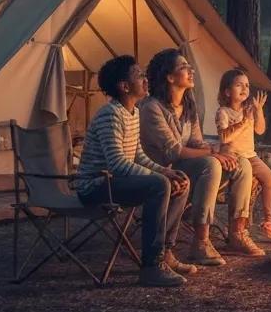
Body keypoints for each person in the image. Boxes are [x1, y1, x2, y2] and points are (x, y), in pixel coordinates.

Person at [74, 55, 194, 288]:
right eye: (139, 75)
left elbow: (138, 155)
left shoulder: (134, 112)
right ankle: (151, 266)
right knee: (159, 185)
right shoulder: (110, 114)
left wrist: (166, 172)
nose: (146, 79)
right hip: (96, 186)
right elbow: (117, 162)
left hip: (115, 182)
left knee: (179, 180)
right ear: (124, 86)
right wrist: (160, 177)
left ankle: (165, 252)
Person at [139, 48, 264, 263]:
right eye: (184, 68)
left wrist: (219, 150)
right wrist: (213, 153)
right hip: (162, 169)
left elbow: (196, 142)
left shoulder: (188, 105)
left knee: (242, 162)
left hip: (185, 166)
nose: (191, 71)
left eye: (189, 66)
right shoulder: (152, 108)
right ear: (169, 77)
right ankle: (201, 242)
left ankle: (237, 233)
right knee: (211, 164)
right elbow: (173, 151)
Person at [215, 67, 271, 241]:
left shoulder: (248, 110)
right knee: (246, 185)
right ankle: (240, 226)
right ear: (227, 91)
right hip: (234, 157)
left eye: (247, 86)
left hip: (251, 156)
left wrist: (258, 111)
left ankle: (268, 220)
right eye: (239, 85)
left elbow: (260, 129)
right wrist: (244, 122)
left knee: (270, 179)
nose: (244, 89)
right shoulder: (223, 112)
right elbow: (225, 137)